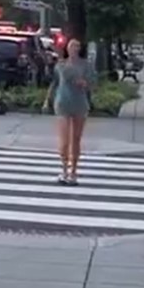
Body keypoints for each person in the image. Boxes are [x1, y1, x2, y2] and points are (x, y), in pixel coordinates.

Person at [43, 38, 95, 185]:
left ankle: (74, 172)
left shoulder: (86, 65)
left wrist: (84, 84)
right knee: (64, 140)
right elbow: (55, 83)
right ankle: (64, 169)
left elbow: (91, 83)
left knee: (76, 140)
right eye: (72, 46)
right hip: (62, 103)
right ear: (67, 48)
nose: (74, 49)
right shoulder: (61, 65)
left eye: (77, 46)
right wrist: (47, 100)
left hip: (79, 104)